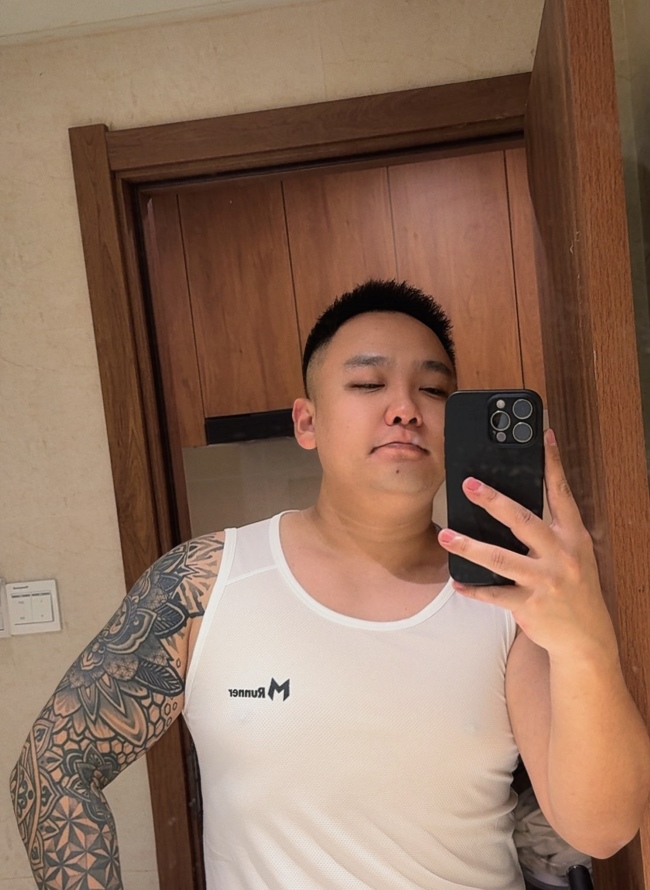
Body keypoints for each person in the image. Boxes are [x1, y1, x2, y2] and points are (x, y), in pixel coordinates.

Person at [11, 279, 650, 890]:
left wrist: (586, 639)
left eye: (433, 390)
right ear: (307, 423)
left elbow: (599, 828)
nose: (405, 408)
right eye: (369, 383)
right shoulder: (205, 583)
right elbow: (54, 765)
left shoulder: (510, 596)